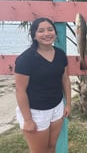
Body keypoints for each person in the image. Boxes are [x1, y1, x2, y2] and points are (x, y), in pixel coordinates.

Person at [15, 17, 71, 153]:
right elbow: (20, 90)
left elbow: (65, 79)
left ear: (55, 33)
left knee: (51, 147)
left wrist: (68, 103)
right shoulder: (26, 59)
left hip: (57, 108)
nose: (47, 34)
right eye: (41, 31)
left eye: (50, 29)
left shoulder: (60, 55)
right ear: (34, 35)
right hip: (36, 112)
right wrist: (28, 120)